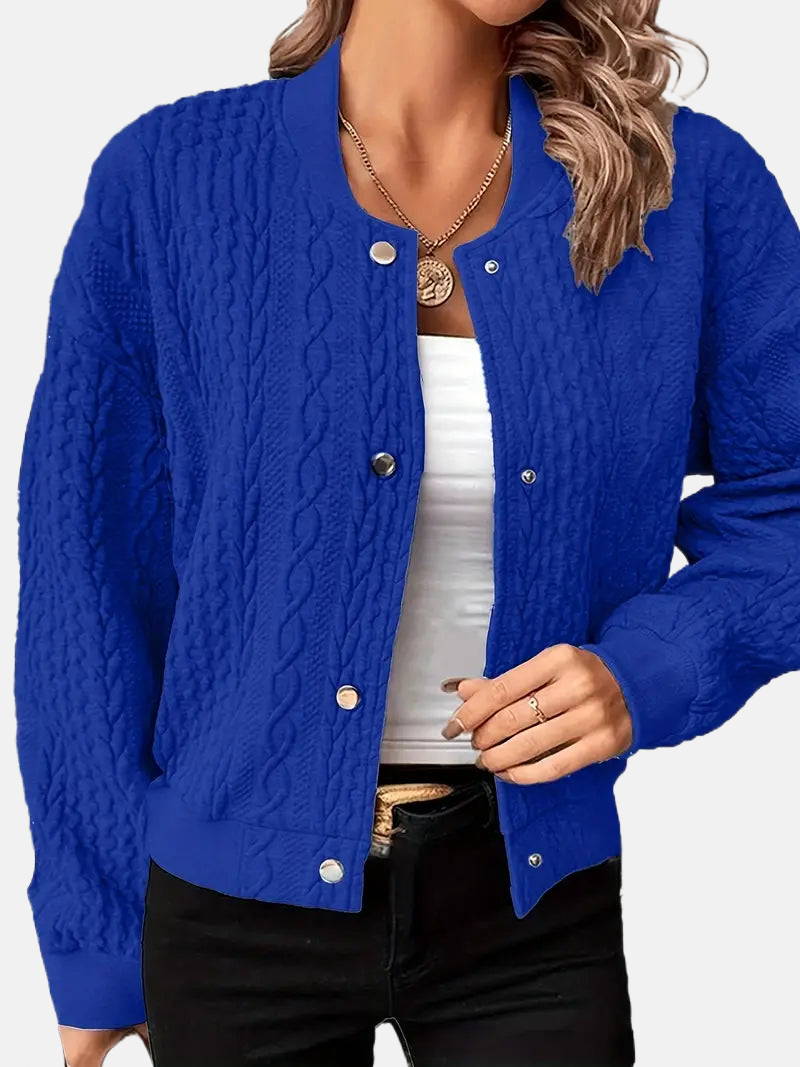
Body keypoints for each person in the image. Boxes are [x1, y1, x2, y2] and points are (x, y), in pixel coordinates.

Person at [14, 1, 800, 1065]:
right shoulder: (172, 177)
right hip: (229, 913)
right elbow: (85, 572)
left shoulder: (684, 184)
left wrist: (652, 668)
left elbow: (788, 496)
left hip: (531, 909)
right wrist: (99, 935)